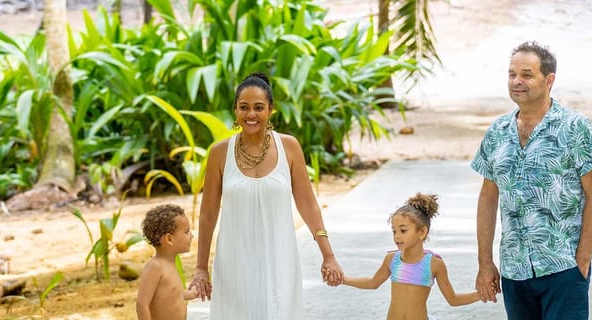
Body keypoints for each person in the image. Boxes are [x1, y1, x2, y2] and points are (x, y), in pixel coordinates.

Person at [188, 72, 344, 319]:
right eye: (244, 107)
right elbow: (207, 214)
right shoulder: (220, 153)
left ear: (271, 109)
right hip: (234, 262)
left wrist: (329, 255)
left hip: (280, 260)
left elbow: (308, 205)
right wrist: (200, 268)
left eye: (259, 107)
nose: (251, 114)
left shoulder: (289, 147)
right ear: (235, 110)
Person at [470, 41, 592, 319]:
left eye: (526, 74)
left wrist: (582, 259)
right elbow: (488, 197)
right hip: (514, 271)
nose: (516, 81)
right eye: (512, 74)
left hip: (563, 267)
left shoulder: (575, 127)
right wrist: (485, 262)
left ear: (549, 80)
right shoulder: (497, 131)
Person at [343, 193, 480, 319]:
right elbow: (373, 283)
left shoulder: (434, 264)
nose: (397, 236)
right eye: (394, 231)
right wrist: (344, 279)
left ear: (422, 232)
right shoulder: (392, 259)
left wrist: (481, 294)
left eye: (403, 230)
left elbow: (453, 299)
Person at [136, 204, 198, 320]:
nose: (191, 235)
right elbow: (142, 304)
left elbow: (174, 294)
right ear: (169, 239)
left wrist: (193, 293)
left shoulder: (170, 264)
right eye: (187, 232)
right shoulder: (155, 267)